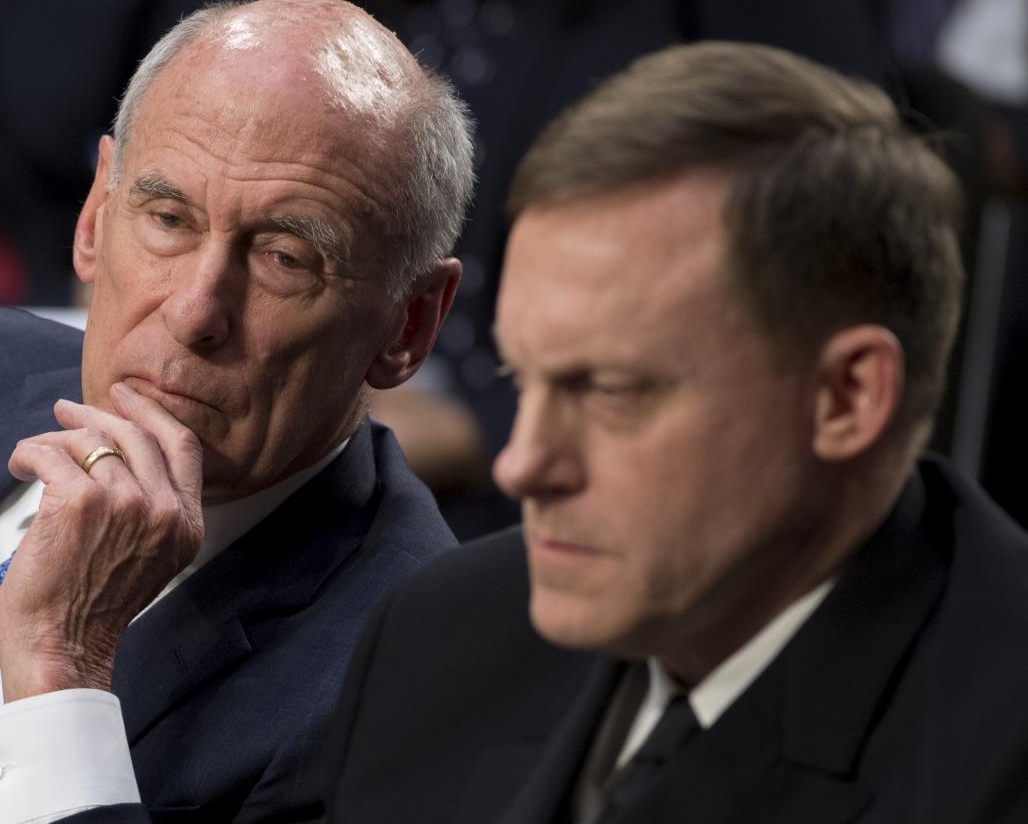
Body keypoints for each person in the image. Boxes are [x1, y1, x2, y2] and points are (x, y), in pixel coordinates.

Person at [326, 41, 1028, 823]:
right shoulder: (438, 636)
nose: (522, 464)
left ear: (846, 398)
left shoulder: (999, 756)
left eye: (612, 391)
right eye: (520, 379)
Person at [0, 0, 472, 823]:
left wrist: (61, 668)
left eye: (286, 258)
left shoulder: (414, 682)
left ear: (409, 324)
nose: (194, 311)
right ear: (95, 219)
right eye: (169, 219)